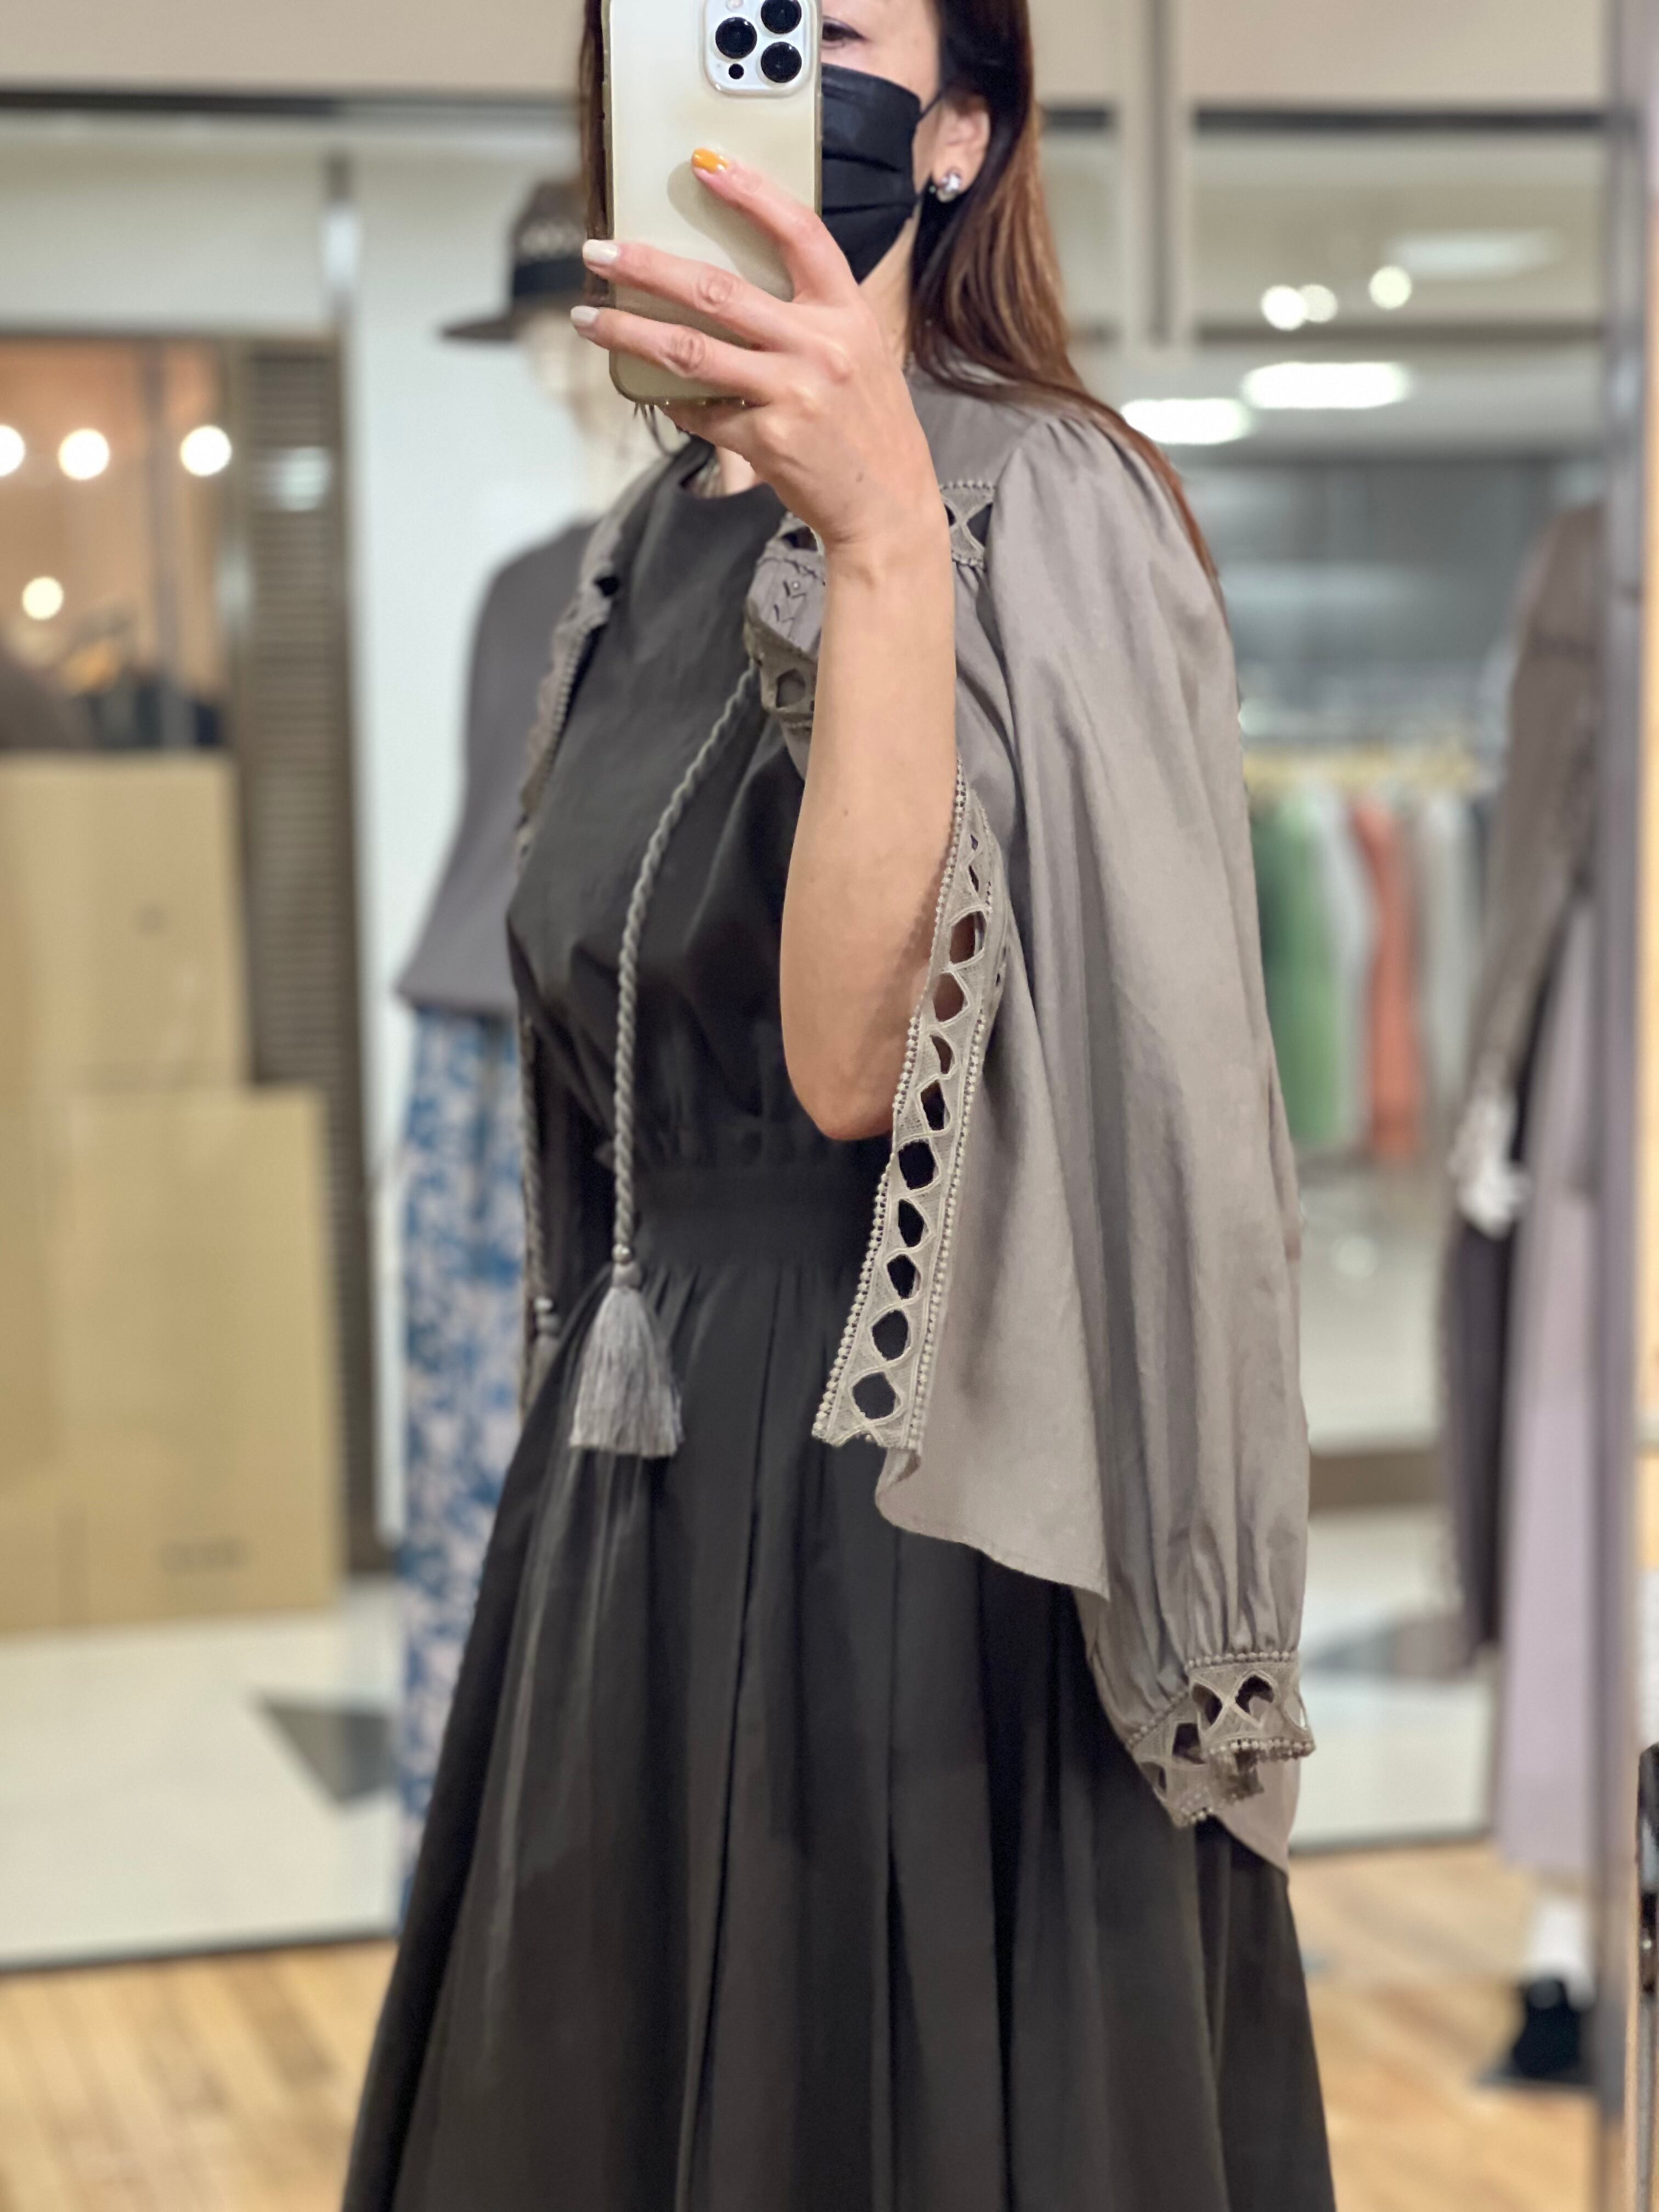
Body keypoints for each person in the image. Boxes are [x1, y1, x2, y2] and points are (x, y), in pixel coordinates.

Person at [345, 0, 1334, 2204]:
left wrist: (886, 546)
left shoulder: (1040, 501)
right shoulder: (632, 548)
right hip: (634, 1483)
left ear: (959, 127)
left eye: (835, 25)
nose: (769, 67)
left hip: (917, 1505)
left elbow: (864, 1068)